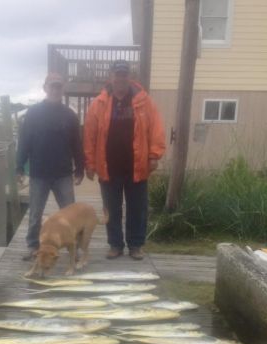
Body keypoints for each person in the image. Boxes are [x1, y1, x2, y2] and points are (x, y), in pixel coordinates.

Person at [84, 60, 165, 260]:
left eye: (124, 74)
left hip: (136, 167)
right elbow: (89, 136)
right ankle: (115, 245)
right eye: (117, 74)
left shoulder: (144, 101)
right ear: (111, 77)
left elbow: (156, 129)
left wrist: (154, 155)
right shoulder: (98, 104)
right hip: (108, 167)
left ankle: (136, 245)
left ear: (129, 77)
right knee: (111, 210)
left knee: (137, 209)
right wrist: (90, 163)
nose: (120, 78)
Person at [16, 73, 84, 260]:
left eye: (59, 86)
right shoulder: (33, 113)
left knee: (71, 215)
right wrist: (19, 166)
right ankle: (32, 245)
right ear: (45, 88)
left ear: (63, 89)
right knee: (35, 214)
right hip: (39, 173)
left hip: (63, 173)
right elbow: (24, 141)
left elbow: (77, 144)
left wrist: (80, 169)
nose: (55, 90)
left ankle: (74, 247)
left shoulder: (70, 115)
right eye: (52, 86)